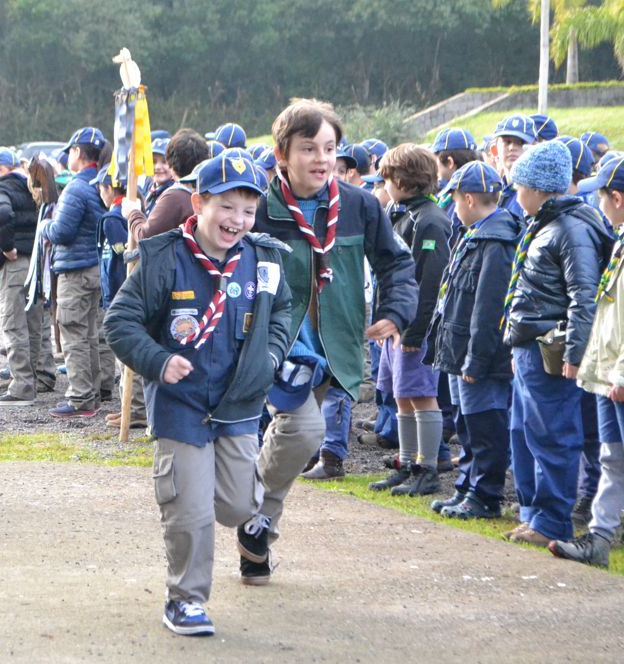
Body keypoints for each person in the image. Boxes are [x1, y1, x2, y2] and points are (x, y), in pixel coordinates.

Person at [104, 151, 292, 637]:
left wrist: (269, 357)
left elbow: (282, 314)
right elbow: (119, 322)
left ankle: (224, 509)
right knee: (189, 510)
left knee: (235, 506)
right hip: (181, 405)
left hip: (238, 404)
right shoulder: (164, 257)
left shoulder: (264, 259)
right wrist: (158, 361)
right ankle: (185, 599)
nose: (238, 221)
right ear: (199, 202)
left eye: (249, 210)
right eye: (227, 207)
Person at [236, 99, 417, 586]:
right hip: (270, 344)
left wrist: (395, 311)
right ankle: (250, 510)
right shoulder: (258, 206)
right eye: (308, 147)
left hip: (330, 349)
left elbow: (396, 264)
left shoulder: (359, 205)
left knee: (299, 435)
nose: (321, 158)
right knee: (304, 432)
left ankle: (255, 532)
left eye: (330, 148)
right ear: (281, 153)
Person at [502, 140, 614, 546]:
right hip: (530, 348)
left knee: (552, 437)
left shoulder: (571, 229)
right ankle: (534, 514)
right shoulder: (548, 223)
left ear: (536, 188)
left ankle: (551, 521)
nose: (515, 195)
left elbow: (584, 295)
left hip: (551, 352)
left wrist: (574, 353)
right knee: (526, 433)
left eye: (519, 187)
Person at [427, 162, 518, 519]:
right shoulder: (473, 234)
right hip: (461, 351)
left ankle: (485, 495)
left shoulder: (496, 241)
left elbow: (489, 308)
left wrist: (476, 360)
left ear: (468, 198)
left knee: (484, 426)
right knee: (467, 425)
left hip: (477, 357)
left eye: (455, 199)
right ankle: (467, 488)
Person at [367, 144, 452, 496]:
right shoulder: (399, 213)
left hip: (414, 327)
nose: (384, 185)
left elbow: (430, 281)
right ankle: (406, 462)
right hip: (395, 325)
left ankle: (428, 468)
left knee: (421, 394)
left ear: (402, 180)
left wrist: (416, 330)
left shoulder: (430, 221)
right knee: (402, 395)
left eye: (387, 178)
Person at [551, 154, 624, 566]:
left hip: (619, 375)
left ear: (617, 196)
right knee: (613, 457)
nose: (598, 203)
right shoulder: (620, 239)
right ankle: (599, 538)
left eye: (601, 195)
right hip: (607, 373)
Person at [41, 127, 108, 417]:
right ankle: (97, 388)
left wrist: (44, 226)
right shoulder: (100, 183)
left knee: (73, 334)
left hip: (75, 272)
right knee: (91, 333)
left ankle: (81, 398)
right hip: (95, 268)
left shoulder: (76, 188)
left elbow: (62, 232)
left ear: (78, 152)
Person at [0, 147, 55, 406]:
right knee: (33, 324)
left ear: (0, 169)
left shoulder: (1, 188)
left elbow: (1, 214)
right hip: (35, 262)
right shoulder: (31, 185)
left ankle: (21, 385)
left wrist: (5, 246)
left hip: (13, 265)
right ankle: (30, 379)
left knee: (13, 325)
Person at [93, 165, 145, 430]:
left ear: (110, 189)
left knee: (127, 355)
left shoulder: (113, 219)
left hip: (120, 293)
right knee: (121, 357)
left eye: (101, 188)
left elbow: (123, 256)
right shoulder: (110, 216)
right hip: (115, 292)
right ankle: (129, 409)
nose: (99, 193)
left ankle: (135, 409)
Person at [124, 129, 209, 241]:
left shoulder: (175, 197)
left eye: (164, 161)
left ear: (171, 163)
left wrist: (132, 213)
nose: (158, 167)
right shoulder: (202, 190)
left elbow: (145, 237)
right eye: (153, 161)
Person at [492, 114, 537, 221]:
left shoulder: (536, 193)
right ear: (495, 149)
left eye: (521, 143)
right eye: (507, 142)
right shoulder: (491, 189)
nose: (512, 147)